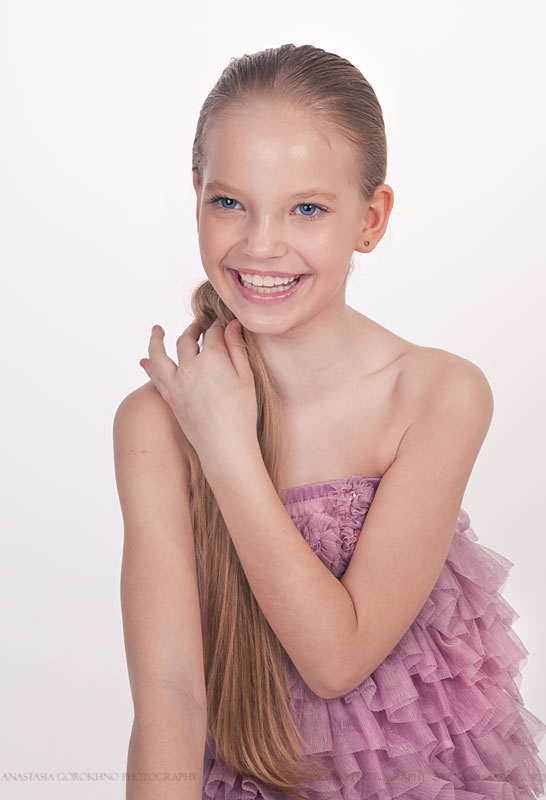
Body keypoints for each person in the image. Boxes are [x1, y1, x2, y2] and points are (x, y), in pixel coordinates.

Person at [113, 43, 546, 800]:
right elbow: (171, 699)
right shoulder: (154, 424)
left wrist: (226, 448)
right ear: (197, 199)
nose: (261, 244)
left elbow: (337, 659)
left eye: (307, 208)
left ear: (369, 220)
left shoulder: (437, 395)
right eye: (229, 202)